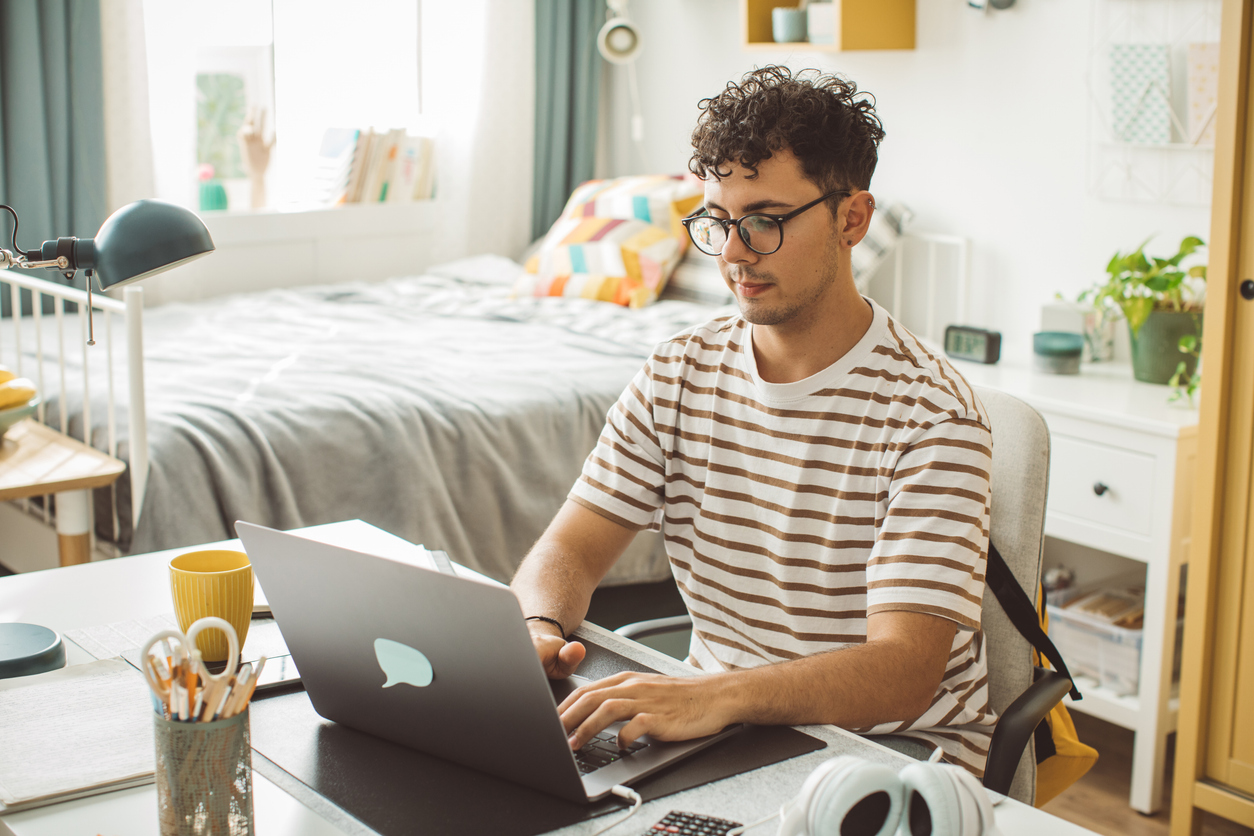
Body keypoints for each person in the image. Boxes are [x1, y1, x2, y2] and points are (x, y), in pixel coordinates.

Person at [511, 65, 995, 777]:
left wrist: (713, 695)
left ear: (852, 219)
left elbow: (903, 671)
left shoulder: (931, 415)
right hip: (721, 727)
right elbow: (570, 551)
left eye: (765, 221)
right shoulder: (679, 370)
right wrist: (537, 626)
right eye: (717, 221)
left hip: (893, 752)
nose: (733, 254)